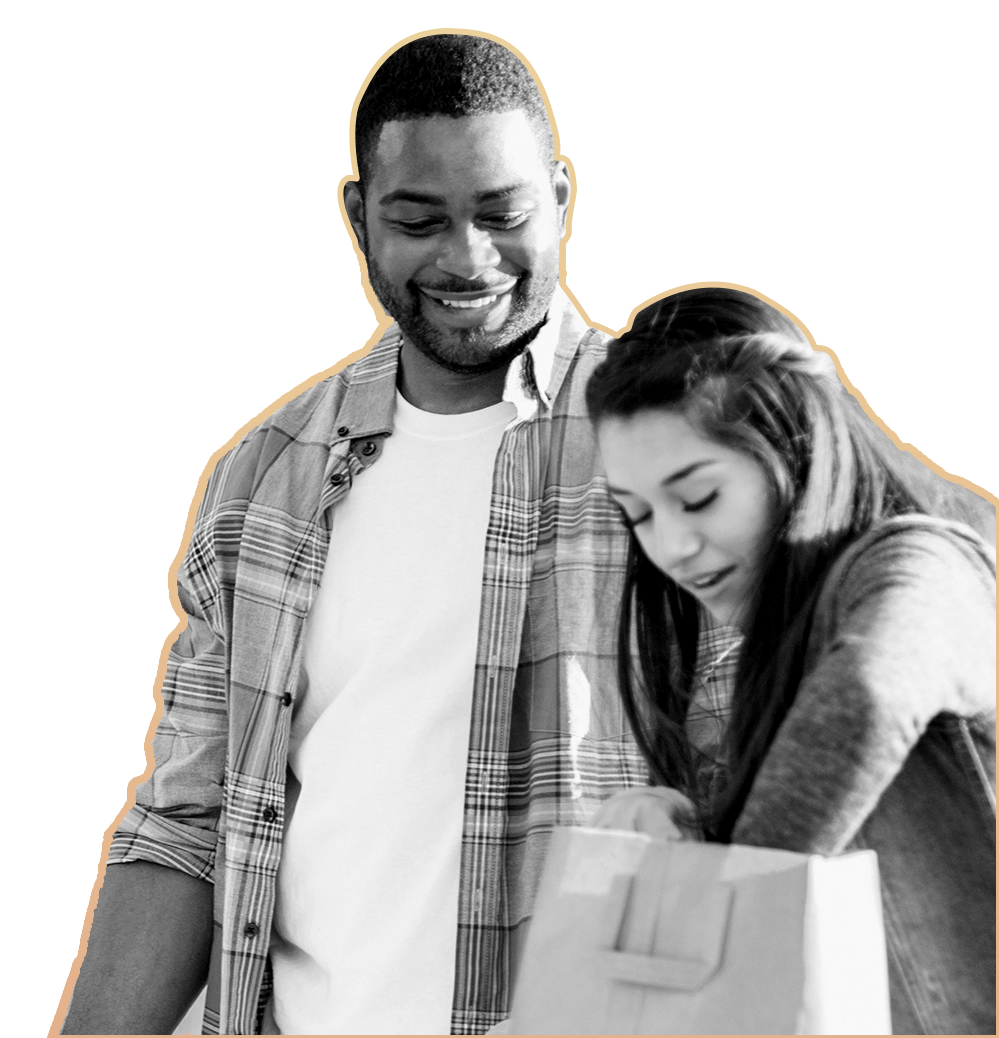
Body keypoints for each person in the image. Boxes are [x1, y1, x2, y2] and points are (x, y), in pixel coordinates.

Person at [61, 34, 669, 1036]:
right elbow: (185, 827)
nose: (468, 259)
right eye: (419, 220)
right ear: (356, 218)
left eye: (504, 214)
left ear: (561, 200)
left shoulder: (671, 448)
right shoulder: (263, 481)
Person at [586, 287, 996, 1035]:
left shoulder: (922, 563)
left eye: (699, 497)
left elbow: (871, 696)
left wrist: (718, 903)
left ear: (793, 446)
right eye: (637, 513)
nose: (670, 547)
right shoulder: (796, 628)